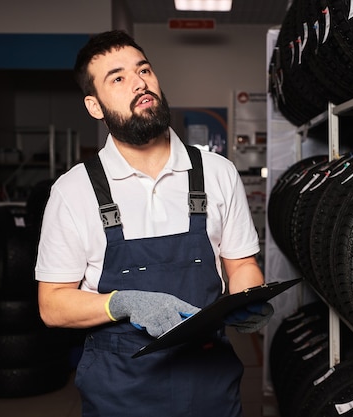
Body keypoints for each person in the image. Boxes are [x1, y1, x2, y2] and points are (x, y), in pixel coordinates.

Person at [35, 30, 273, 417]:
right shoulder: (73, 190)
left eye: (143, 69)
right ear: (94, 106)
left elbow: (241, 264)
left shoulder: (217, 172)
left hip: (210, 382)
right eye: (118, 78)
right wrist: (124, 302)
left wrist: (248, 298)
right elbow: (52, 305)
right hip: (120, 390)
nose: (139, 82)